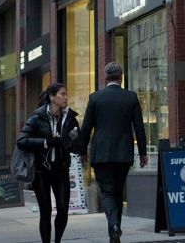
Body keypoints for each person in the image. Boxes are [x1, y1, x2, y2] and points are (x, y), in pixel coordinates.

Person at [77, 62, 147, 243]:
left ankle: (114, 226)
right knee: (117, 192)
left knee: (107, 192)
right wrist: (143, 153)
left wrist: (82, 151)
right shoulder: (131, 97)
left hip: (101, 154)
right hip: (124, 153)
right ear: (121, 78)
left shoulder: (95, 98)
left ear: (105, 78)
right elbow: (139, 127)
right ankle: (114, 230)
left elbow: (86, 128)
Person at [18, 83, 81, 243]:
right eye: (63, 94)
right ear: (52, 97)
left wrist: (72, 141)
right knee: (45, 211)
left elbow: (78, 147)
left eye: (66, 94)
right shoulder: (36, 118)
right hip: (41, 171)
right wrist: (46, 142)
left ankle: (57, 241)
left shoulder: (70, 118)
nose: (66, 97)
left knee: (62, 210)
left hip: (61, 170)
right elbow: (22, 141)